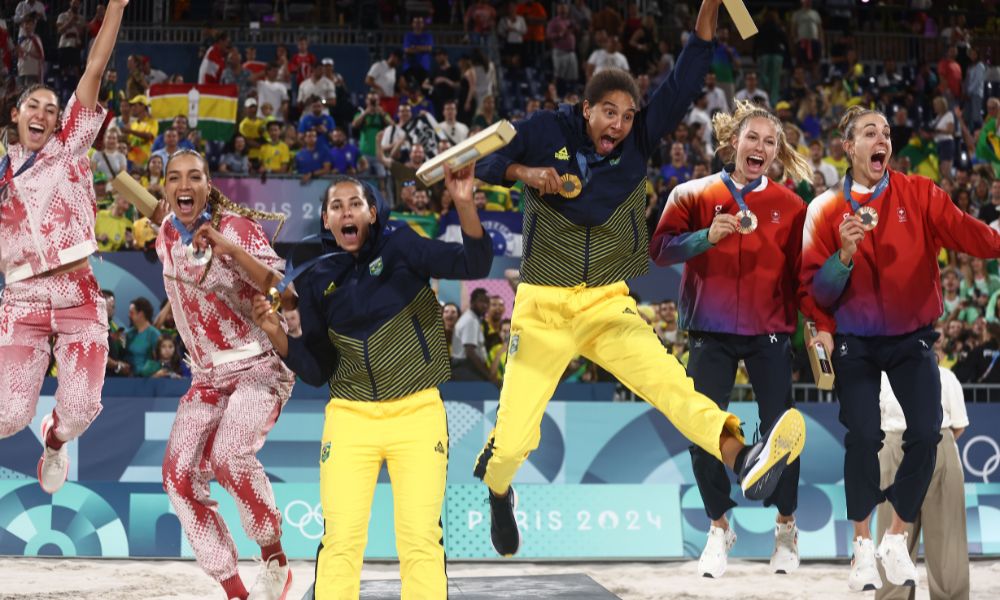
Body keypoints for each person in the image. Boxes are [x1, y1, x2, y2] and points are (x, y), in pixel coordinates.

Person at [471, 0, 805, 558]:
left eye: (627, 116)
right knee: (511, 443)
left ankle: (742, 456)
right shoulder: (544, 129)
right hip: (543, 308)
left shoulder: (638, 143)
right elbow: (480, 161)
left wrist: (708, 7)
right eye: (609, 114)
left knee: (677, 389)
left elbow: (689, 70)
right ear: (585, 110)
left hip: (607, 304)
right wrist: (524, 172)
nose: (619, 126)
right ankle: (500, 490)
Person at [250, 165, 491, 598]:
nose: (346, 212)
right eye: (336, 206)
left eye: (355, 204)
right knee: (341, 541)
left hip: (418, 414)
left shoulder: (402, 246)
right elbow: (319, 369)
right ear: (326, 220)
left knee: (420, 540)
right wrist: (275, 334)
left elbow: (474, 261)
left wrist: (463, 200)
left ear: (372, 212)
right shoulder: (318, 277)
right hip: (350, 418)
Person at [800, 104, 1000, 592]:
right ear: (849, 147)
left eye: (887, 132)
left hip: (912, 338)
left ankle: (895, 535)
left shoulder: (920, 193)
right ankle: (863, 546)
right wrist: (842, 257)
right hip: (854, 341)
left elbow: (972, 236)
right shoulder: (824, 209)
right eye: (870, 132)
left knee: (927, 434)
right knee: (864, 437)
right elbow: (813, 293)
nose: (882, 139)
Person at [651, 99, 814, 577]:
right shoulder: (692, 193)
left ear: (776, 153)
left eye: (770, 141)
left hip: (770, 331)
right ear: (733, 142)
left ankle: (786, 527)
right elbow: (659, 250)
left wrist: (816, 329)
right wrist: (705, 237)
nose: (759, 146)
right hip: (709, 329)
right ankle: (719, 526)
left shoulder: (792, 206)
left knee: (782, 434)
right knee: (702, 430)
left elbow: (804, 276)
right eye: (752, 138)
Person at [148, 149, 295, 600]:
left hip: (257, 364)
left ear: (209, 184)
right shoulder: (165, 237)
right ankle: (234, 590)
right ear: (166, 188)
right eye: (175, 178)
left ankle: (275, 562)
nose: (184, 185)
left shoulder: (235, 228)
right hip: (205, 378)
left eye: (195, 177)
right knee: (177, 478)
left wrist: (228, 251)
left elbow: (281, 289)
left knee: (230, 457)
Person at [0, 0, 127, 494]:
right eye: (34, 105)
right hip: (22, 299)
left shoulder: (70, 144)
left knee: (78, 412)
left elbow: (94, 65)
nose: (45, 113)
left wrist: (115, 7)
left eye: (52, 109)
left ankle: (55, 441)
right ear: (16, 113)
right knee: (7, 417)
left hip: (78, 293)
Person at [876, 364, 969, 600]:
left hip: (937, 444)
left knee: (947, 537)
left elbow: (958, 425)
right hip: (895, 444)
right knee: (892, 538)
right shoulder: (881, 378)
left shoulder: (946, 376)